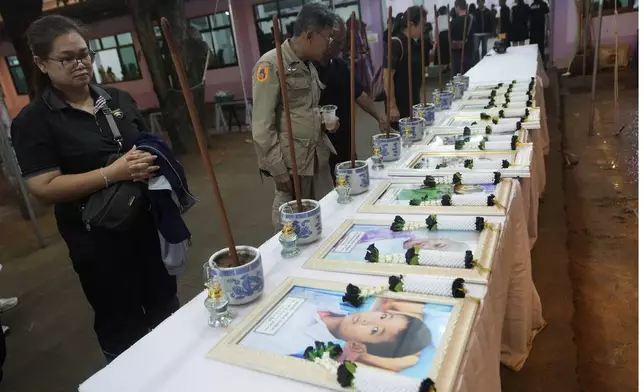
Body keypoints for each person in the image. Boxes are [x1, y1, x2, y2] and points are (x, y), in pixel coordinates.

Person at [11, 15, 179, 362]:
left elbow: (144, 141)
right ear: (41, 64)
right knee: (122, 323)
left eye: (85, 54)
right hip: (98, 243)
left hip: (146, 226)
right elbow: (43, 186)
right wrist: (114, 172)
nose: (81, 64)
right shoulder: (33, 122)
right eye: (67, 58)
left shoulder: (116, 98)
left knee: (166, 306)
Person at [252, 4, 338, 231]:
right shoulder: (271, 65)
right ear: (309, 35)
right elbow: (262, 125)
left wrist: (323, 119)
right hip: (292, 166)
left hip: (316, 157)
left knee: (325, 219)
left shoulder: (308, 66)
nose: (329, 44)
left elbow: (303, 110)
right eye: (327, 38)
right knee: (291, 228)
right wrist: (277, 169)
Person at [315, 15, 388, 182]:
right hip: (322, 143)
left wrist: (380, 116)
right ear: (327, 37)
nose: (342, 47)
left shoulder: (339, 65)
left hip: (345, 138)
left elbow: (359, 94)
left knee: (350, 181)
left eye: (343, 41)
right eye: (338, 42)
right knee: (329, 190)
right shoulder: (309, 69)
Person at [383, 6, 430, 130]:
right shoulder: (395, 44)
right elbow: (387, 76)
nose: (423, 29)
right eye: (422, 25)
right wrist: (392, 106)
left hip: (412, 101)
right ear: (411, 24)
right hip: (399, 105)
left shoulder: (414, 43)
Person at [450, 0, 475, 74]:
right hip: (469, 51)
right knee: (469, 74)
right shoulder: (472, 19)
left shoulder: (454, 22)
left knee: (458, 76)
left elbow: (450, 37)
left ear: (457, 7)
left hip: (457, 54)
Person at [434, 6, 451, 71]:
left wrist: (436, 39)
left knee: (441, 52)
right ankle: (447, 66)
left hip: (441, 36)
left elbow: (436, 30)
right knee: (448, 51)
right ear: (445, 11)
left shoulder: (438, 18)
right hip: (447, 34)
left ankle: (442, 68)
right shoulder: (448, 17)